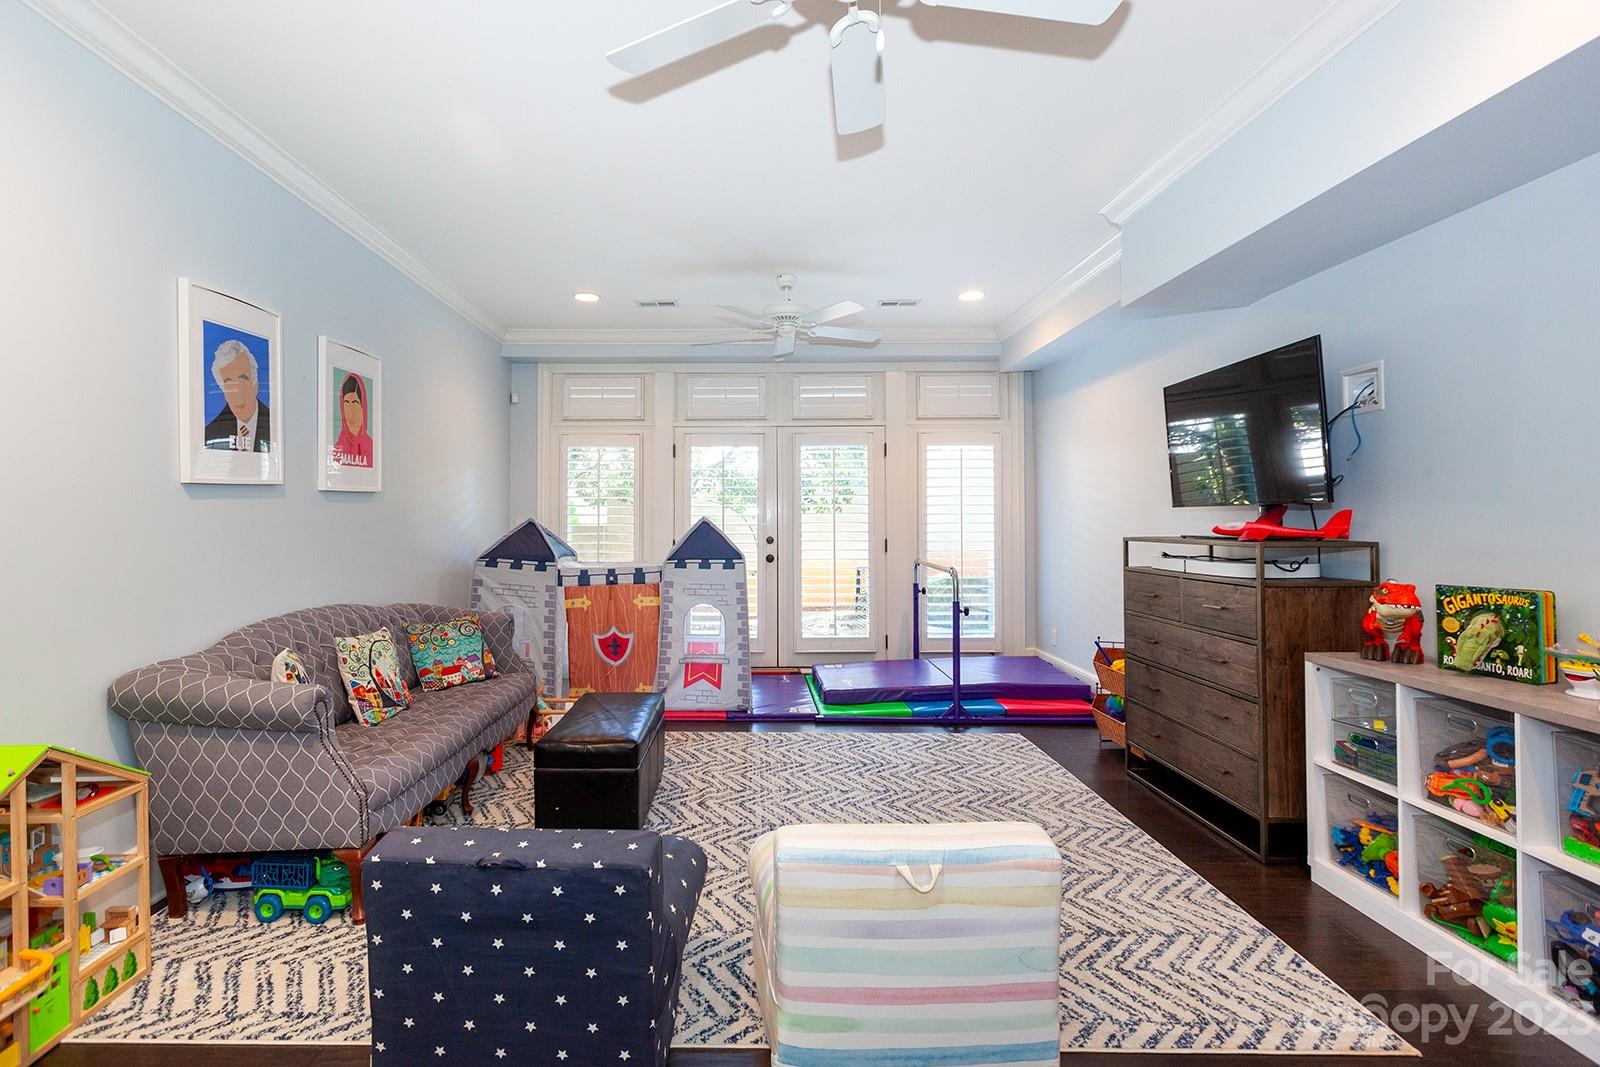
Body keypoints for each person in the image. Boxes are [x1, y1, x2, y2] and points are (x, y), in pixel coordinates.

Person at [203, 338, 271, 452]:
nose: (238, 392)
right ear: (223, 391)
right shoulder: (211, 434)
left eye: (243, 379)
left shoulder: (275, 427)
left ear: (255, 385)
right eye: (229, 383)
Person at [332, 371, 374, 467]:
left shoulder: (372, 448)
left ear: (363, 407)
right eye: (346, 402)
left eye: (355, 402)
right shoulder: (337, 449)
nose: (350, 410)